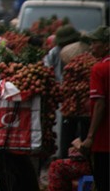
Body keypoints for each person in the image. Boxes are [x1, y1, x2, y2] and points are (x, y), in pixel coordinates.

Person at [43, 24, 81, 159]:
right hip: (61, 93)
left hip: (76, 95)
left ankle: (68, 154)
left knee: (71, 126)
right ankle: (62, 155)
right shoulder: (54, 52)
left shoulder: (80, 51)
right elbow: (47, 69)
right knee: (61, 125)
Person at [79, 38, 109, 191]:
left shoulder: (100, 69)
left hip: (105, 140)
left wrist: (90, 137)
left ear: (107, 45)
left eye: (94, 43)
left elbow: (100, 104)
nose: (91, 47)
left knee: (103, 181)